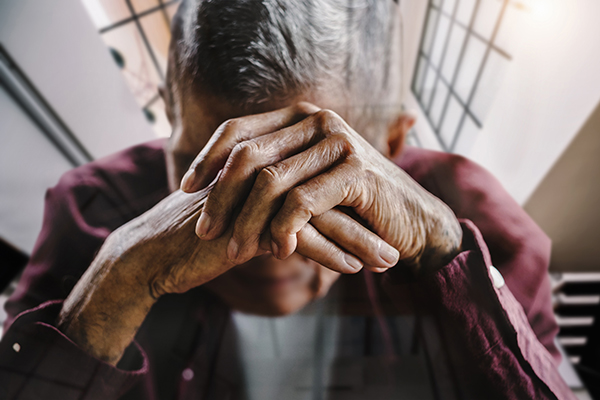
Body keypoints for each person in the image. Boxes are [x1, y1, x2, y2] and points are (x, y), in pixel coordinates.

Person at [0, 0, 575, 399]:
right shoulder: (90, 213)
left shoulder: (487, 234)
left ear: (391, 148)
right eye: (222, 175)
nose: (266, 243)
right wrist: (115, 287)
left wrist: (445, 257)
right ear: (168, 124)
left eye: (322, 177)